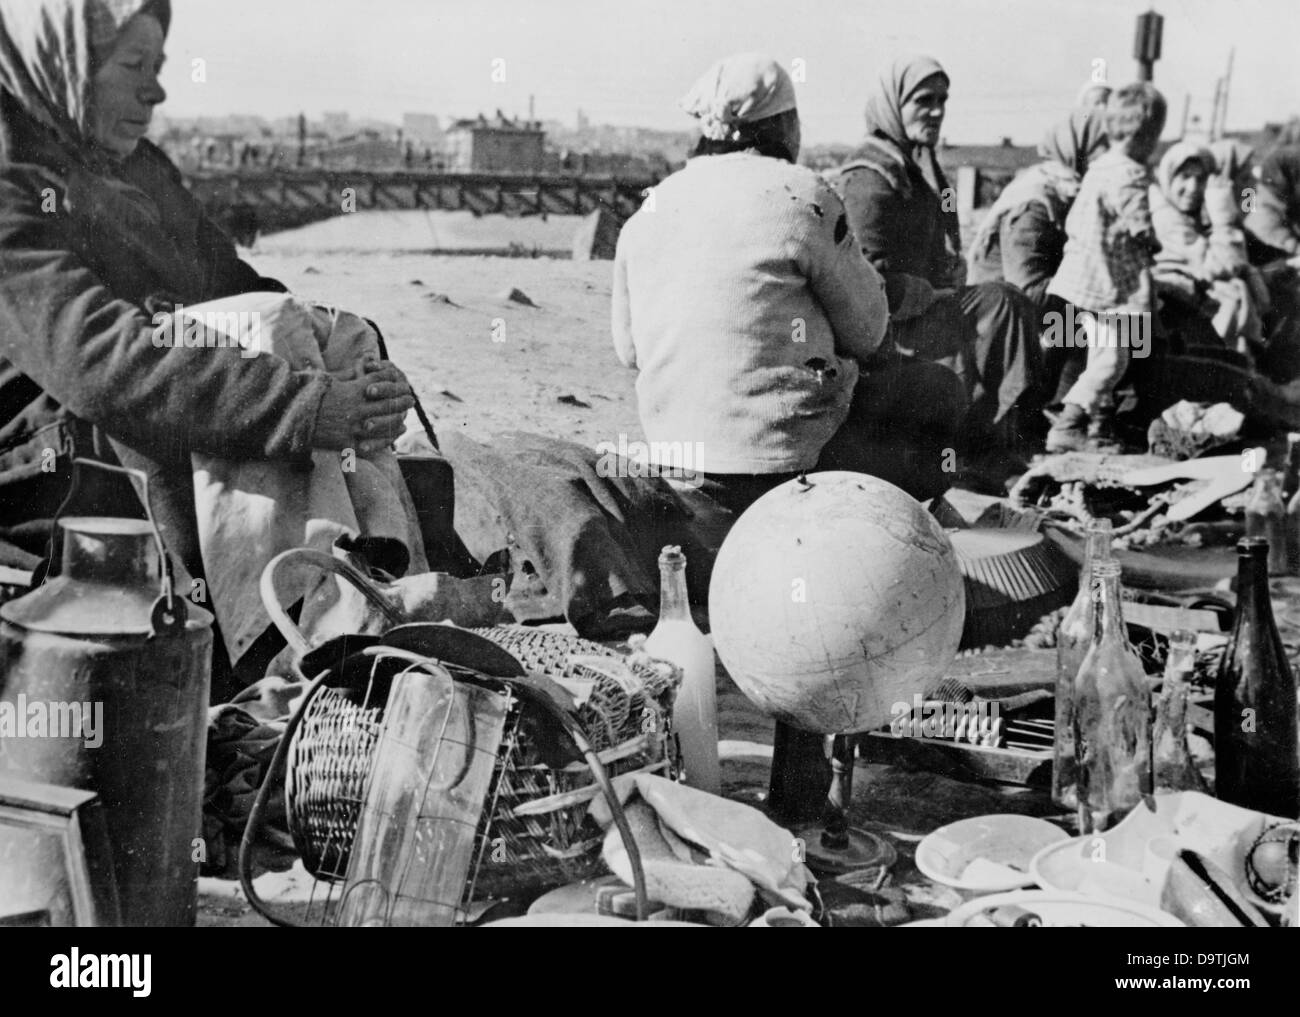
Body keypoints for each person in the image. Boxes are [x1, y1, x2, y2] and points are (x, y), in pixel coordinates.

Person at [0, 0, 414, 693]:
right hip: (57, 465)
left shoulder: (137, 170)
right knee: (268, 360)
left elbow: (237, 286)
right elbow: (100, 360)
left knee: (303, 328)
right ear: (65, 63)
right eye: (133, 66)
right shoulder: (10, 176)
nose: (156, 91)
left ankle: (351, 610)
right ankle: (285, 647)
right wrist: (306, 407)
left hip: (156, 437)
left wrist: (356, 377)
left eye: (157, 68)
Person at [612, 53, 966, 518]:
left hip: (677, 456)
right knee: (938, 390)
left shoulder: (649, 211)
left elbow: (628, 351)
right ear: (784, 125)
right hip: (784, 463)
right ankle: (876, 523)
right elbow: (870, 332)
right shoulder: (802, 196)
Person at [827, 55, 1043, 489]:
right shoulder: (872, 176)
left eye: (942, 100)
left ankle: (990, 439)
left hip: (925, 309)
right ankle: (973, 443)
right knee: (1002, 304)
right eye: (924, 101)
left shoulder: (920, 167)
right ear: (894, 104)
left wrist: (948, 268)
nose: (937, 111)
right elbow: (866, 278)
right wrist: (924, 290)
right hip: (890, 328)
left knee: (1005, 302)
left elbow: (945, 230)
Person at [1044, 82, 1166, 452]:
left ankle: (1097, 427)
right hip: (1110, 284)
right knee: (1113, 360)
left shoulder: (1098, 168)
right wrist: (1153, 242)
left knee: (1102, 353)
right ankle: (1070, 422)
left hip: (1086, 278)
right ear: (1145, 135)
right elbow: (1139, 224)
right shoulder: (1129, 174)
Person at [1149, 141, 1265, 354]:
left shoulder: (1244, 194)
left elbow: (1251, 226)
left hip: (1187, 295)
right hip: (1172, 304)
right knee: (1233, 292)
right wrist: (1223, 213)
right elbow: (1226, 264)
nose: (1193, 187)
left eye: (1200, 179)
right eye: (1184, 176)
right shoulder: (1171, 216)